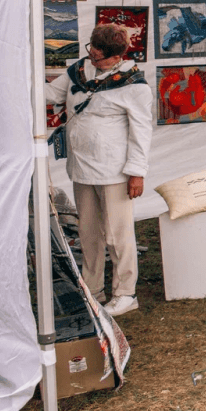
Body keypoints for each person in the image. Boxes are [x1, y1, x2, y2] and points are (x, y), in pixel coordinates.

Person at [45, 24, 152, 316]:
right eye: (91, 52)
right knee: (88, 233)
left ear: (117, 56)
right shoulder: (79, 70)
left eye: (99, 56)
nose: (93, 59)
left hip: (114, 171)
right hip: (82, 167)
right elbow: (51, 94)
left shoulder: (134, 86)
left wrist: (137, 172)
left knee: (118, 235)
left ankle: (126, 293)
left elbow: (142, 132)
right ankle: (93, 290)